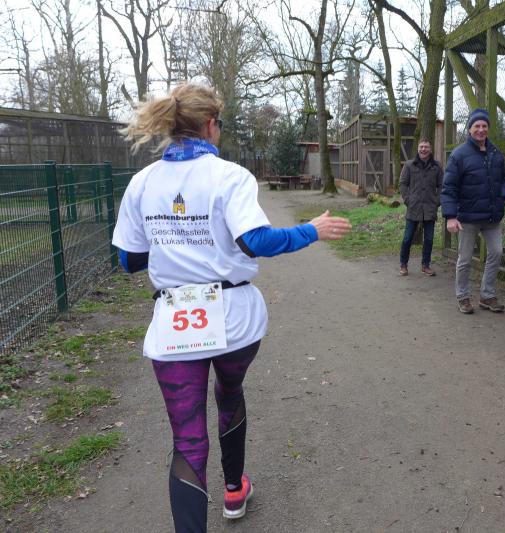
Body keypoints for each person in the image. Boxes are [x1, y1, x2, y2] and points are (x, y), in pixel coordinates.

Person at [111, 83, 351, 532]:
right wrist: (311, 230)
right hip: (234, 322)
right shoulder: (230, 176)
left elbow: (128, 260)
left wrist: (173, 242)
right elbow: (254, 240)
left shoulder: (141, 183)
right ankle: (235, 489)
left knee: (187, 441)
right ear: (210, 125)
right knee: (229, 392)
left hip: (174, 324)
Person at [441, 108, 505, 314]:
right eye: (477, 126)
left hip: (492, 215)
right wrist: (450, 216)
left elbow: (503, 180)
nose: (481, 129)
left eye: (484, 126)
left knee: (496, 253)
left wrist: (503, 197)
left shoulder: (496, 153)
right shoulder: (459, 155)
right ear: (469, 129)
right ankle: (463, 296)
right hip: (468, 217)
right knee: (465, 258)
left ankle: (487, 295)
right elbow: (449, 187)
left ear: (488, 128)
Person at [398, 137, 443, 276]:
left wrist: (437, 201)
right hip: (414, 207)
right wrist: (408, 200)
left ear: (430, 149)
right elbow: (402, 184)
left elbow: (442, 186)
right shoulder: (409, 165)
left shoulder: (437, 167)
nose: (424, 149)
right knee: (407, 238)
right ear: (418, 149)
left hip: (430, 208)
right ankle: (403, 264)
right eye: (421, 147)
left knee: (429, 239)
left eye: (426, 147)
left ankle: (426, 265)